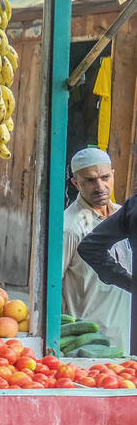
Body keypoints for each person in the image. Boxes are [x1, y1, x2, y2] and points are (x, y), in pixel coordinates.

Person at [62, 148, 131, 353]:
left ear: (113, 175)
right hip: (88, 343)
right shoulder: (69, 226)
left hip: (125, 336)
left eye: (105, 177)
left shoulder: (124, 217)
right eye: (90, 180)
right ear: (76, 183)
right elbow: (51, 287)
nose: (100, 186)